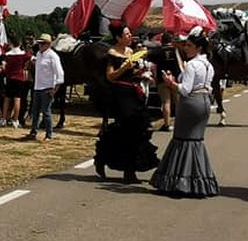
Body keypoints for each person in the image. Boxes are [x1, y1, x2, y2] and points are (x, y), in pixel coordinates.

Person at [152, 31, 220, 198]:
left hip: (191, 103)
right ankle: (199, 178)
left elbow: (185, 89)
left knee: (183, 139)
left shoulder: (192, 65)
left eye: (189, 45)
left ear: (198, 48)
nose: (186, 48)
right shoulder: (208, 65)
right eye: (186, 45)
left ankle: (179, 180)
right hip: (204, 101)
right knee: (195, 140)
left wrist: (170, 83)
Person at [93, 25, 159, 183]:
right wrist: (124, 68)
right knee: (127, 130)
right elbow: (110, 77)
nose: (130, 36)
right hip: (120, 95)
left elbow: (132, 73)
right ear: (118, 38)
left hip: (133, 93)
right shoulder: (111, 54)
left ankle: (130, 169)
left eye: (130, 33)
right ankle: (122, 168)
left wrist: (139, 73)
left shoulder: (131, 52)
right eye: (127, 34)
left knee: (136, 130)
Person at [25, 34, 65, 141]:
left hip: (47, 87)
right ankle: (33, 132)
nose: (40, 45)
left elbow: (60, 74)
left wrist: (54, 89)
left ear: (48, 44)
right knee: (35, 111)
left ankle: (49, 134)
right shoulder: (39, 54)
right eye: (39, 43)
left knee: (46, 112)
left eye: (42, 43)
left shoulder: (53, 56)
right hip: (38, 86)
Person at [151, 33, 181, 133]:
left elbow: (152, 65)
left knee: (165, 102)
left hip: (162, 79)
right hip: (174, 79)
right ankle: (179, 123)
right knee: (177, 102)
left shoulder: (157, 51)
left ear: (162, 41)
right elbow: (180, 65)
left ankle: (167, 124)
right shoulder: (175, 51)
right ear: (171, 40)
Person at [0, 41, 31, 128]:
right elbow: (31, 57)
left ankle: (4, 119)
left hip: (10, 77)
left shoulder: (8, 54)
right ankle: (15, 120)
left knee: (7, 98)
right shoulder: (23, 54)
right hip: (19, 78)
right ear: (20, 44)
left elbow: (1, 59)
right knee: (17, 99)